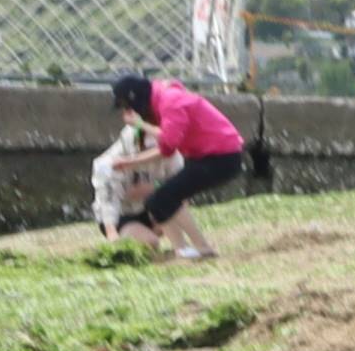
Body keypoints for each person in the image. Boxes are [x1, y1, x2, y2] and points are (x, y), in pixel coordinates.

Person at [104, 74, 248, 258]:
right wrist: (130, 161)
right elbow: (167, 148)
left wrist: (140, 126)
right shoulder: (164, 98)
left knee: (164, 198)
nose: (128, 112)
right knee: (156, 202)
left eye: (127, 106)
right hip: (208, 156)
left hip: (222, 157)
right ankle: (183, 250)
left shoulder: (171, 102)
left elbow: (168, 144)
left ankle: (202, 248)